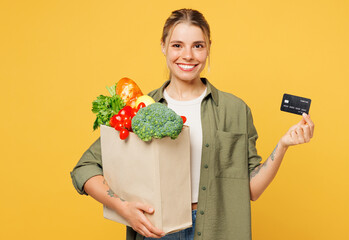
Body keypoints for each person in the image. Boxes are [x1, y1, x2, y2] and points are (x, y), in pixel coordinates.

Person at [70, 8, 315, 240]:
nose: (187, 55)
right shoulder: (139, 108)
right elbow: (84, 169)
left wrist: (283, 145)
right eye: (177, 45)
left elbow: (251, 189)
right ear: (163, 47)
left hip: (217, 229)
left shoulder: (235, 109)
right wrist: (123, 208)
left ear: (208, 49)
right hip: (157, 229)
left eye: (198, 46)